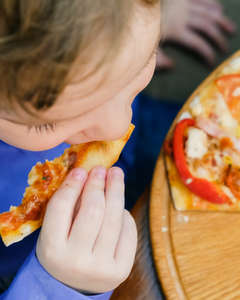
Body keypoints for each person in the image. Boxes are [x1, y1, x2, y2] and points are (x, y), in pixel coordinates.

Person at [0, 0, 160, 298]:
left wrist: (125, 29)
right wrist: (58, 286)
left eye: (148, 57)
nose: (117, 126)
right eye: (50, 123)